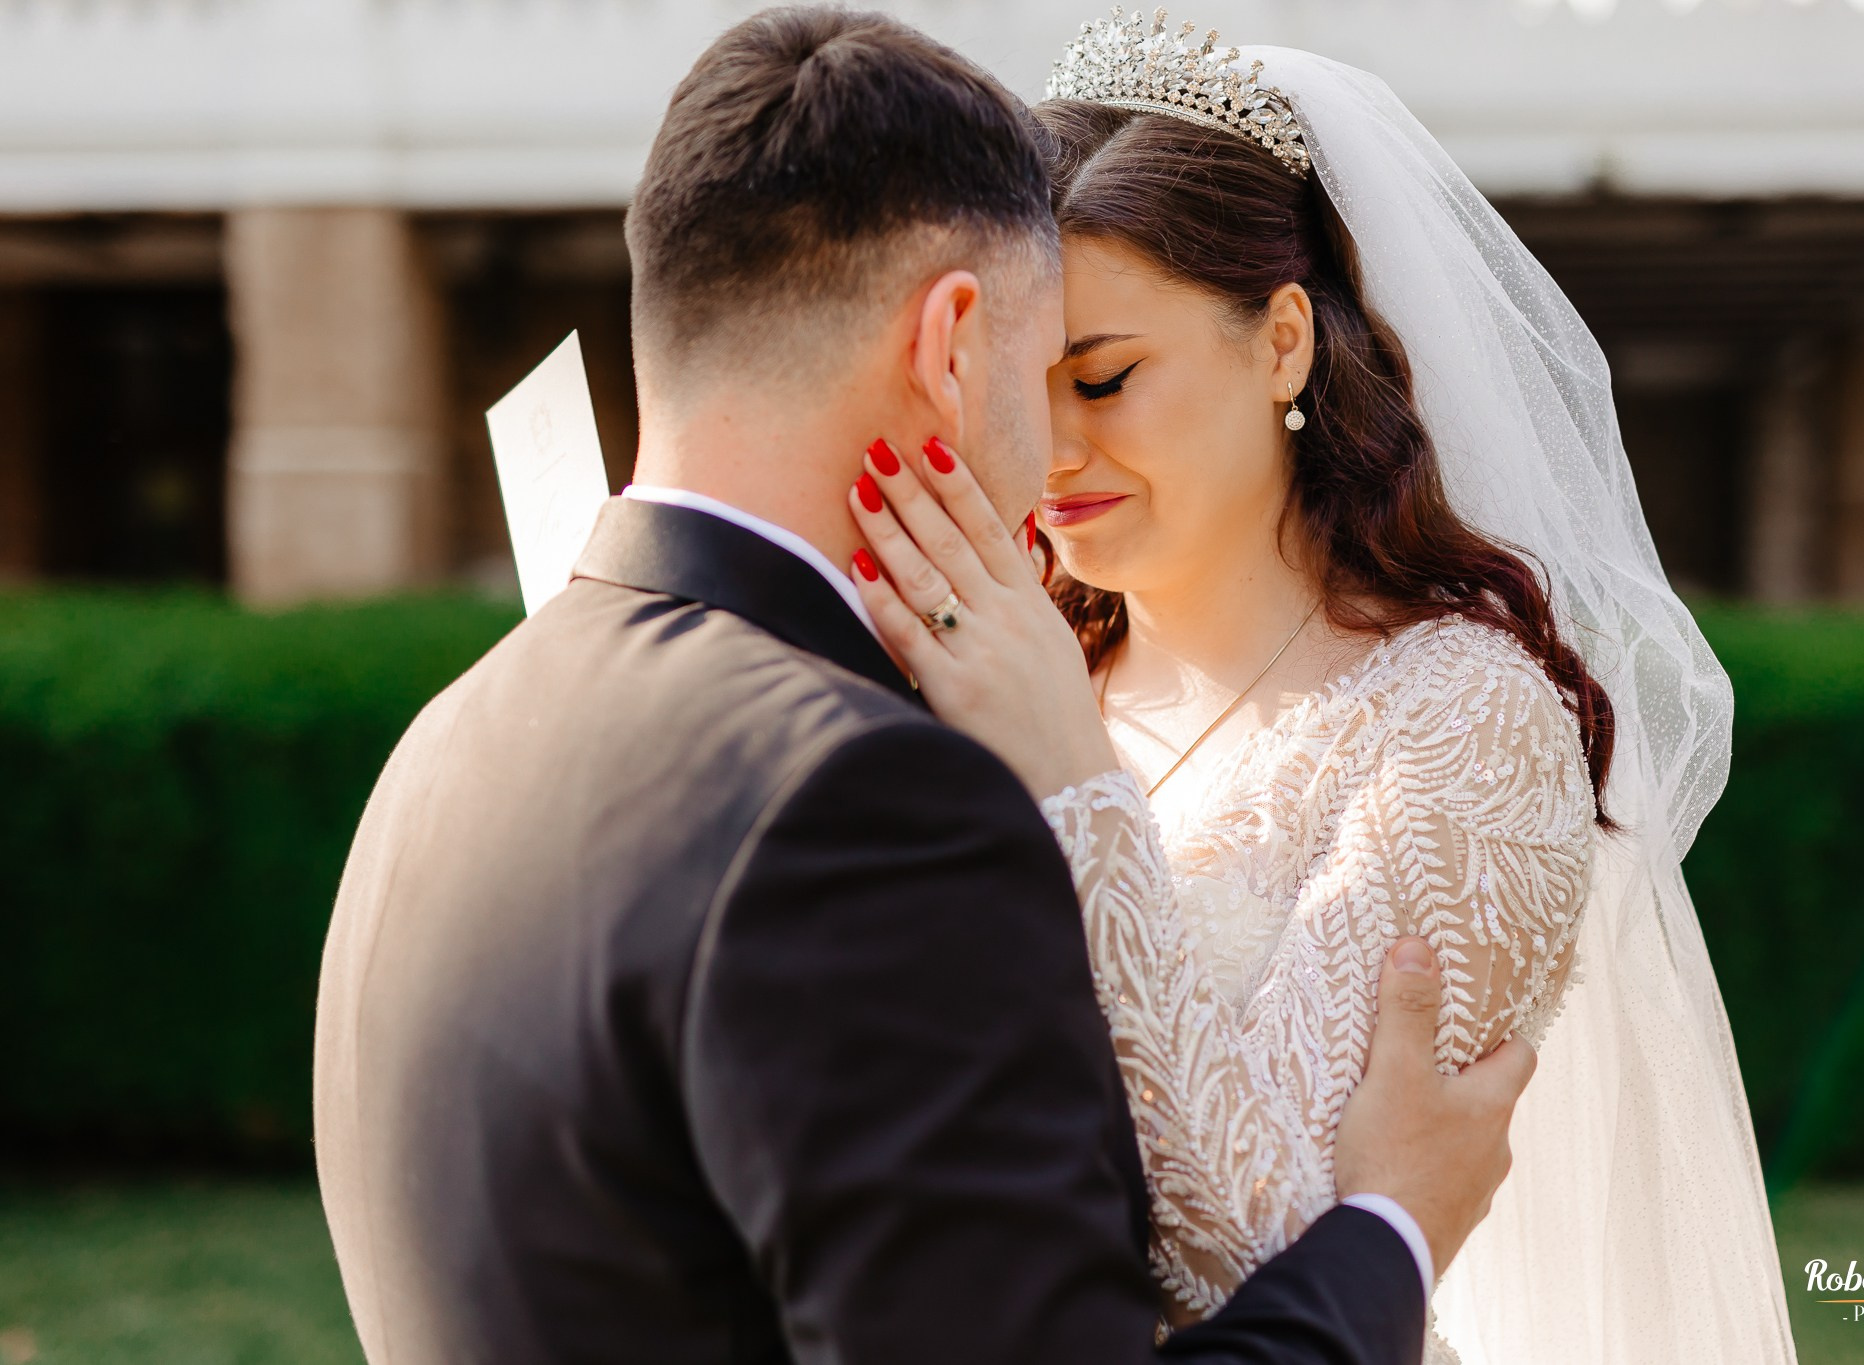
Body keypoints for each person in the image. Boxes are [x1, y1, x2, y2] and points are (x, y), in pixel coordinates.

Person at [311, 9, 1534, 1364]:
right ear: (950, 344)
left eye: (1104, 375)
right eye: (1037, 365)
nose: (1054, 444)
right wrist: (1393, 1225)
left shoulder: (450, 738)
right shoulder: (865, 792)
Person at [840, 12, 1798, 1365]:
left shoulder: (1463, 722)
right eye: (1013, 382)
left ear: (1282, 341)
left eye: (1104, 377)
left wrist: (1071, 781)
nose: (1050, 445)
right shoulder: (993, 670)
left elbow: (1288, 1258)